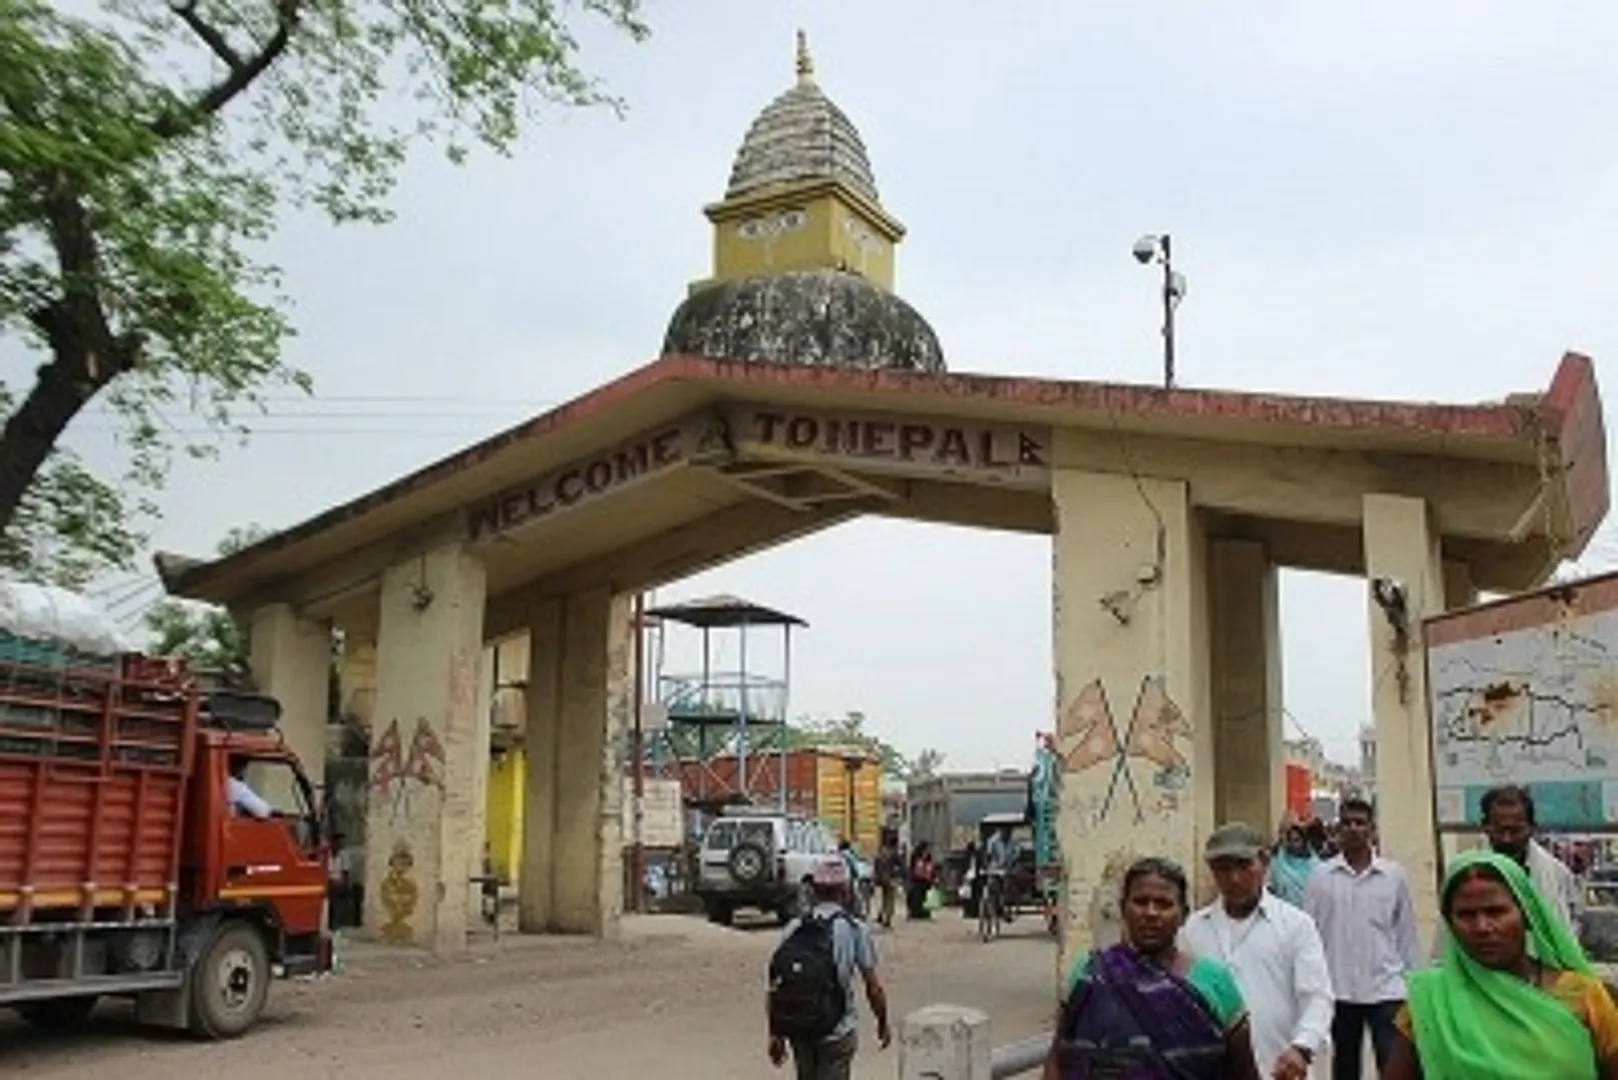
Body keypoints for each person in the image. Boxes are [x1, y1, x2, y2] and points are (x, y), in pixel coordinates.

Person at [1385, 849, 1618, 1080]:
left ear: (1528, 915)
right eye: (1466, 915)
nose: (1482, 927)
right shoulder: (1431, 1003)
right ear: (1450, 923)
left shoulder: (1583, 997)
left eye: (1496, 912)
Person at [1042, 856, 1262, 1080]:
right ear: (1123, 908)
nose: (1151, 913)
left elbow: (1244, 1073)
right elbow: (1057, 1059)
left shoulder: (1213, 982)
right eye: (1140, 902)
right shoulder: (1090, 974)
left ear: (1184, 914)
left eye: (1164, 904)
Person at [1182, 824, 1334, 1080]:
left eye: (1243, 865)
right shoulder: (1192, 930)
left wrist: (1302, 1048)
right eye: (1223, 868)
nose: (1234, 878)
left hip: (1279, 1069)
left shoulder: (1295, 926)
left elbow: (1317, 996)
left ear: (1264, 862)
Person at [1304, 797, 1420, 1080]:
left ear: (1372, 828)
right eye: (1347, 823)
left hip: (1386, 989)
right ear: (1337, 829)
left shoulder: (1393, 877)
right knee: (1345, 1066)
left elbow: (1406, 934)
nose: (1354, 828)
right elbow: (1309, 933)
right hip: (1339, 989)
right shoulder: (1321, 877)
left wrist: (1414, 988)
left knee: (1392, 1063)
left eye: (1360, 823)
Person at [768, 856, 891, 1080]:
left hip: (800, 1028)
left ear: (813, 890)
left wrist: (775, 1033)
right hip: (838, 1029)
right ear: (845, 891)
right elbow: (873, 988)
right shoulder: (855, 929)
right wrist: (882, 1021)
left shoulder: (794, 927)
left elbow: (776, 985)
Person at [1479, 784, 1578, 939]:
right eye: (1499, 830)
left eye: (1515, 831)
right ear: (1485, 826)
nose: (1507, 839)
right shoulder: (1468, 872)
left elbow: (1567, 931)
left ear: (1532, 828)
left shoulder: (1557, 873)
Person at [1266, 815, 1319, 909]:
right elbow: (1272, 889)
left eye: (1297, 840)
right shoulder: (1278, 863)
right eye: (1290, 840)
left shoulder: (1316, 865)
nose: (1293, 844)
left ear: (1303, 840)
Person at [985, 825, 1019, 922]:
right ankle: (992, 908)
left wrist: (1012, 863)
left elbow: (1016, 854)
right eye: (1004, 830)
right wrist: (990, 866)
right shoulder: (993, 841)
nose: (1007, 833)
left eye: (1009, 831)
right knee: (992, 886)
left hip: (1008, 869)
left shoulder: (1013, 842)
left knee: (1008, 886)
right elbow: (988, 856)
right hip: (995, 868)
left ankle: (1006, 906)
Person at [906, 842, 935, 921]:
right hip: (916, 879)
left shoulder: (928, 856)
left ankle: (921, 911)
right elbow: (912, 866)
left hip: (925, 879)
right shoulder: (915, 856)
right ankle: (914, 912)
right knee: (915, 896)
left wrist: (932, 877)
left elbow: (930, 867)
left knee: (923, 896)